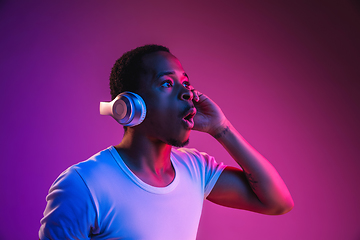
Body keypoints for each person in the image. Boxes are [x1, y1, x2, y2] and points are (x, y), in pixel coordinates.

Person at [39, 44, 294, 239]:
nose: (187, 93)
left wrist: (222, 128)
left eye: (186, 83)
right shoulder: (84, 185)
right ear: (128, 107)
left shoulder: (196, 168)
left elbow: (277, 202)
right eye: (167, 83)